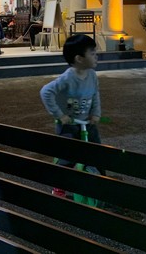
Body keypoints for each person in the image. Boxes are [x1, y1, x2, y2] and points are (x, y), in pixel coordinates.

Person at [40, 34, 101, 196]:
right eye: (92, 53)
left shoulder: (92, 75)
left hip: (87, 122)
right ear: (79, 59)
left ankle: (101, 182)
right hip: (69, 124)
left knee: (97, 152)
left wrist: (95, 113)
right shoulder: (68, 78)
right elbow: (46, 92)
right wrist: (60, 115)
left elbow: (95, 94)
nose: (96, 56)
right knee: (68, 155)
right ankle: (58, 185)